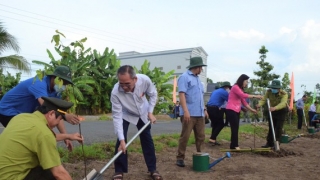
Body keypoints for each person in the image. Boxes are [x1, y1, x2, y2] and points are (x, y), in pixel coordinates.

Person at [0, 97, 84, 180]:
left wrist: (69, 136)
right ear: (51, 114)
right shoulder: (44, 133)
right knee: (52, 173)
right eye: (60, 119)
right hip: (12, 177)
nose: (58, 123)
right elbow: (59, 173)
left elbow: (40, 137)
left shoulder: (21, 117)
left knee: (43, 169)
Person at [0, 66, 80, 150]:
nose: (64, 86)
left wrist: (65, 137)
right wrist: (65, 115)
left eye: (66, 84)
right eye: (63, 83)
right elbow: (47, 106)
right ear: (55, 78)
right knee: (31, 135)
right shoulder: (39, 83)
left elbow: (56, 114)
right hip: (7, 111)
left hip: (23, 115)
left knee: (32, 136)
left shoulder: (56, 92)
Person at [110, 65, 162, 180]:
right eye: (121, 83)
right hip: (126, 113)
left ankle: (152, 169)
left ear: (135, 79)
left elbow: (153, 94)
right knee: (120, 140)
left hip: (143, 112)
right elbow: (117, 116)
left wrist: (150, 112)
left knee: (147, 139)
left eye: (127, 83)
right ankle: (119, 170)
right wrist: (122, 140)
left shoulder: (144, 80)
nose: (124, 87)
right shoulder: (115, 92)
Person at [176, 57, 208, 167]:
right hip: (189, 113)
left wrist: (204, 109)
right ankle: (180, 158)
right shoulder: (184, 77)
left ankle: (201, 156)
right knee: (185, 136)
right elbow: (182, 94)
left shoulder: (198, 79)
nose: (202, 70)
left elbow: (200, 96)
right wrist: (185, 111)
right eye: (201, 68)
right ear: (197, 67)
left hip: (200, 113)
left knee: (201, 136)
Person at [226, 74, 262, 150]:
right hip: (231, 110)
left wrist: (252, 110)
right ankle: (234, 145)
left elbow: (244, 102)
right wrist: (255, 96)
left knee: (236, 128)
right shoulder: (235, 87)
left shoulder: (240, 89)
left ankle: (234, 145)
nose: (247, 83)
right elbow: (243, 95)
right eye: (246, 81)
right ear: (242, 81)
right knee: (234, 128)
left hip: (236, 110)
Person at [256, 80, 288, 148]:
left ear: (279, 88)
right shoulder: (269, 92)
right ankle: (269, 143)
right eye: (272, 88)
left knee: (278, 128)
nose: (273, 89)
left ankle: (276, 144)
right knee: (271, 127)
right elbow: (264, 99)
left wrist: (275, 108)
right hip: (272, 110)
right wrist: (259, 104)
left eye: (275, 88)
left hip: (281, 110)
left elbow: (283, 103)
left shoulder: (284, 94)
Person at [206, 81, 231, 145]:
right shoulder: (224, 92)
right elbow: (230, 101)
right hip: (214, 108)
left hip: (209, 108)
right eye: (229, 88)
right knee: (221, 124)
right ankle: (212, 138)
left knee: (215, 124)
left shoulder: (215, 91)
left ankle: (213, 139)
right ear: (227, 87)